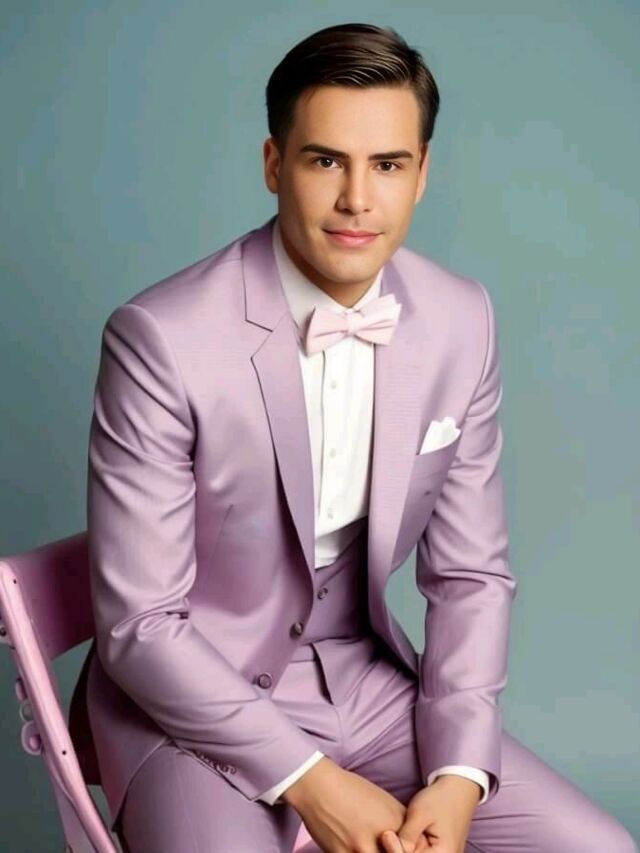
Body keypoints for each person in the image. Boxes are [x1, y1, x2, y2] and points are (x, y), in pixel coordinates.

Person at [68, 21, 637, 853]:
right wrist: (315, 782)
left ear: (423, 173)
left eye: (388, 165)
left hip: (366, 685)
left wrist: (458, 771)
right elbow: (141, 625)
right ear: (274, 164)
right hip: (189, 705)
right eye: (325, 160)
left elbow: (471, 574)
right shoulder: (161, 338)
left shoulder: (460, 320)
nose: (358, 200)